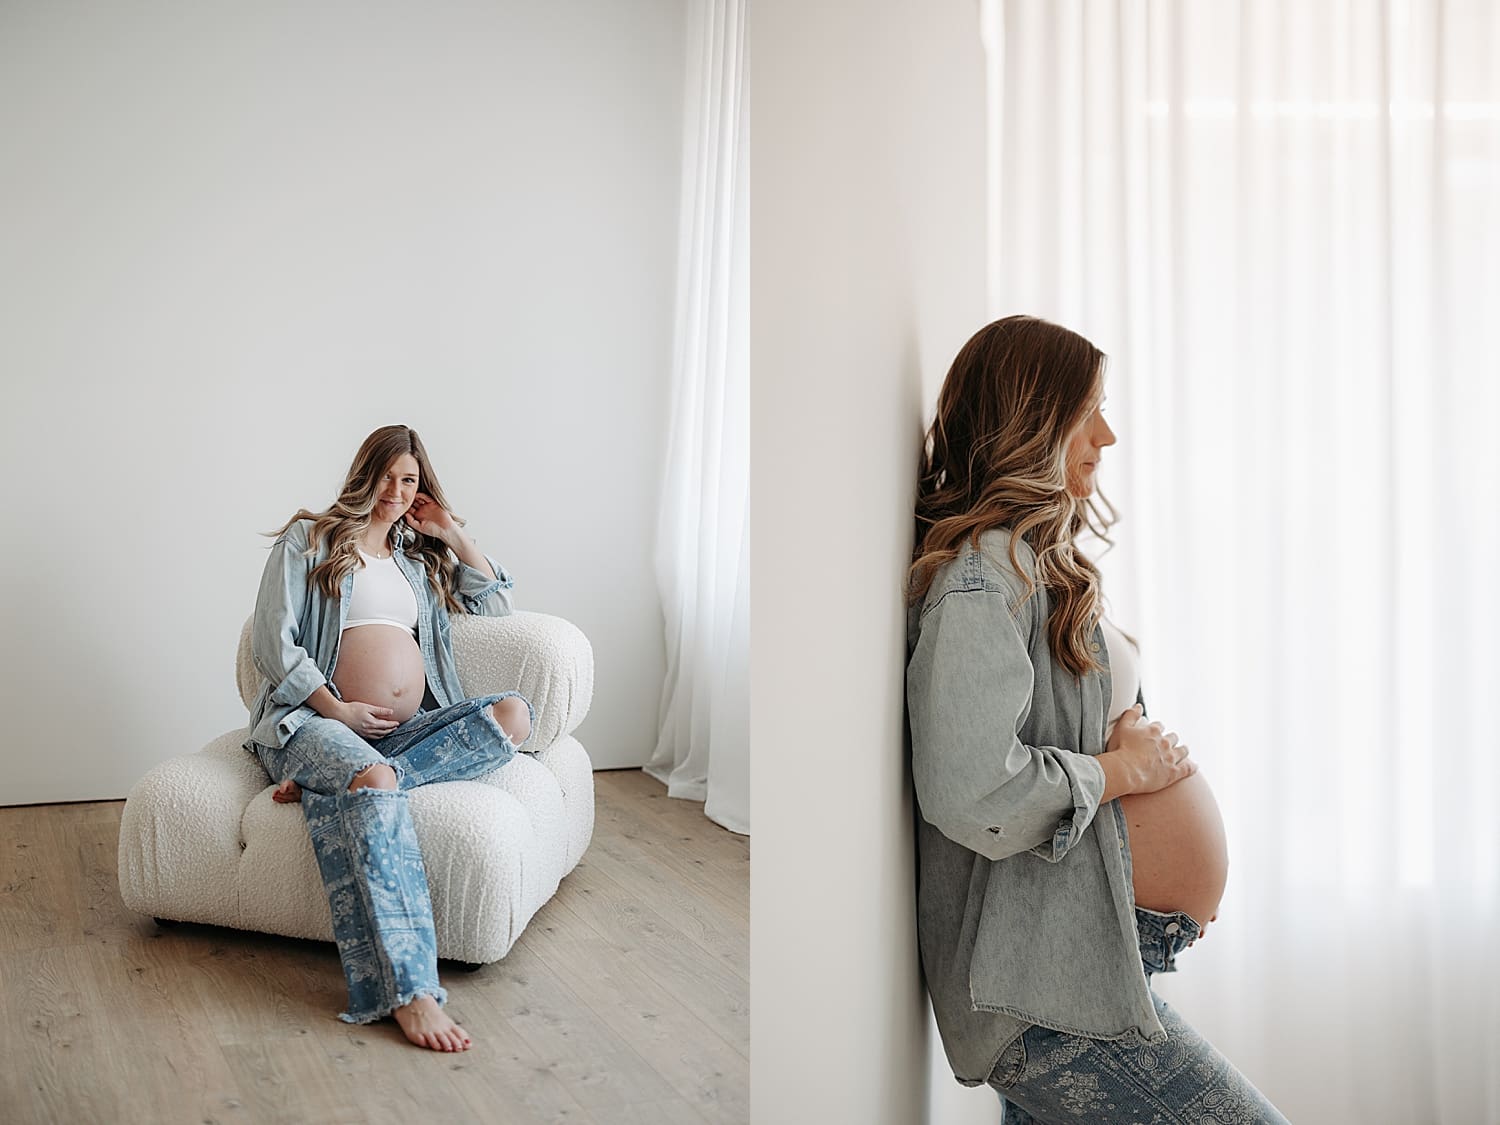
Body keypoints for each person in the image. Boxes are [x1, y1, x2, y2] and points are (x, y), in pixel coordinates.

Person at [905, 316, 1287, 1122]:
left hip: (1078, 959)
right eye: (1088, 412)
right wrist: (1124, 771)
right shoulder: (983, 580)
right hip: (1045, 991)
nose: (1106, 437)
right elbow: (972, 789)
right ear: (1031, 420)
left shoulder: (1034, 564)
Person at [246, 424, 533, 1053]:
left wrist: (450, 533)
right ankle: (410, 992)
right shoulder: (311, 539)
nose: (396, 492)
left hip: (398, 737)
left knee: (512, 715)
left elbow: (496, 609)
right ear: (364, 473)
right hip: (313, 724)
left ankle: (339, 783)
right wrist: (337, 711)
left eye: (409, 481)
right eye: (386, 477)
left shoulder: (416, 559)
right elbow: (272, 641)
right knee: (373, 778)